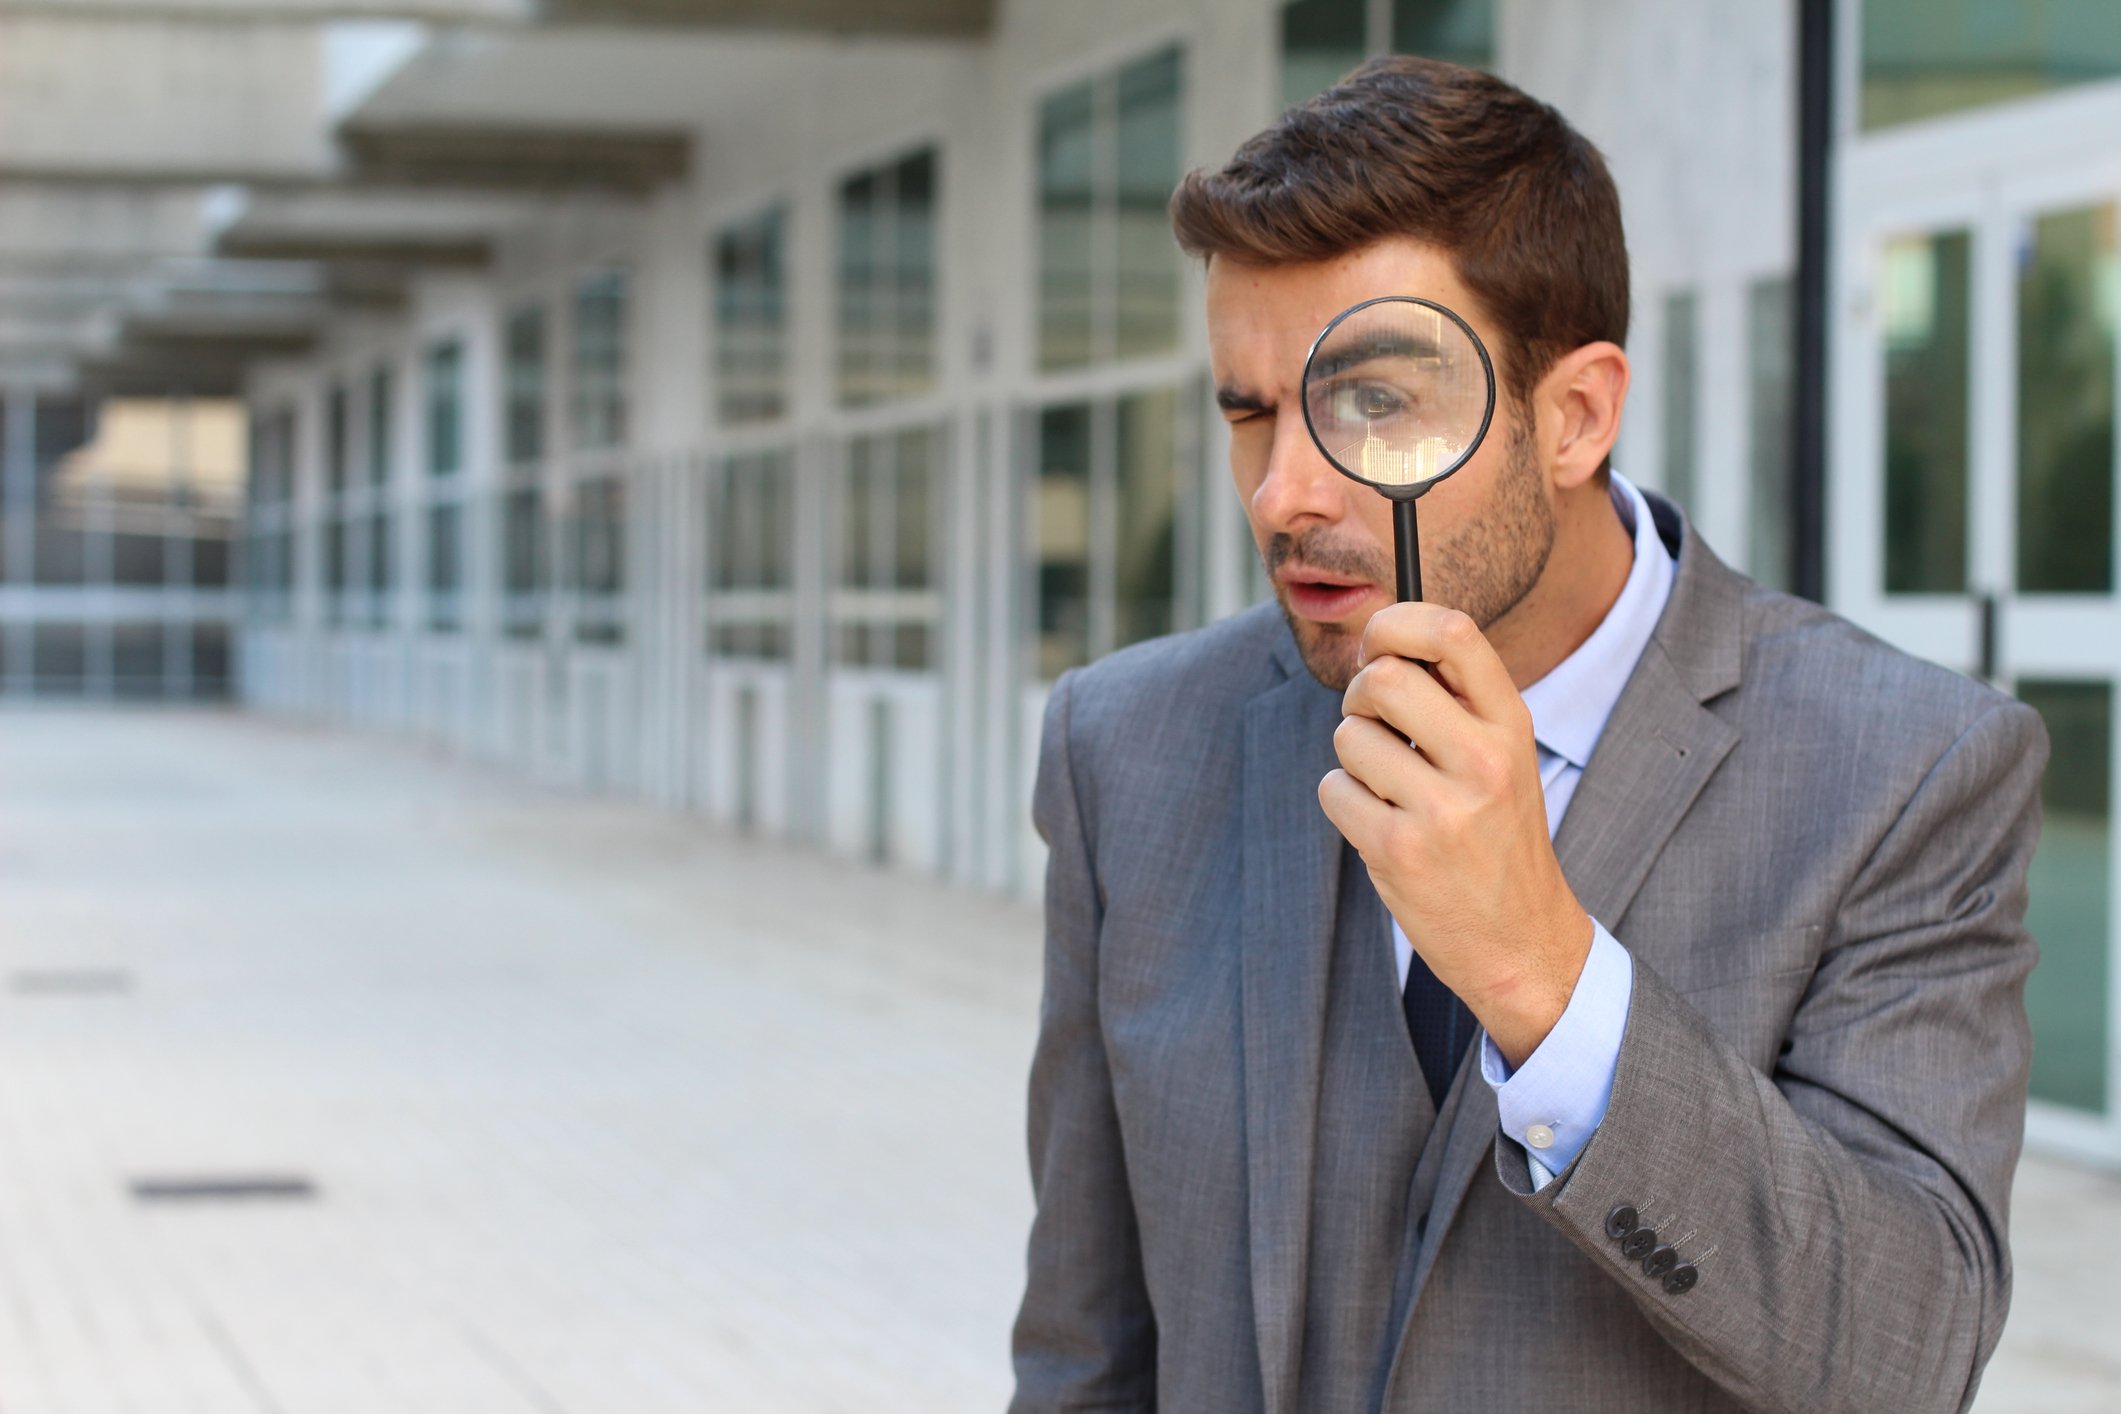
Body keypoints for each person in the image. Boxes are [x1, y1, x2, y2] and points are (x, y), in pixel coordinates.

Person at [1009, 55, 2046, 1414]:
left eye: (1371, 402)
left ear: (1573, 416)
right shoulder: (1125, 745)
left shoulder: (1906, 770)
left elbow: (1902, 1357)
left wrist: (1543, 977)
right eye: (1248, 411)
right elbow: (1087, 1355)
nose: (1281, 492)